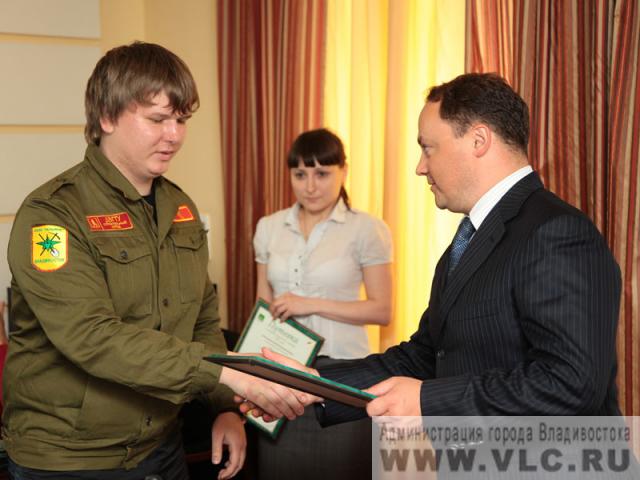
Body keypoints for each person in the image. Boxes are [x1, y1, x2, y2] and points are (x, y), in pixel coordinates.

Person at [2, 41, 306, 480]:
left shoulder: (180, 209)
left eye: (181, 120)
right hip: (71, 459)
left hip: (161, 446)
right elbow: (93, 337)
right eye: (158, 119)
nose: (174, 135)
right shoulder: (53, 215)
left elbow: (202, 320)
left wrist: (225, 408)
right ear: (106, 117)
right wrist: (230, 378)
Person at [251, 72, 622, 423]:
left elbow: (571, 382)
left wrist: (427, 400)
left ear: (479, 140)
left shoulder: (556, 232)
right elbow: (425, 357)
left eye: (428, 149)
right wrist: (314, 382)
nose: (420, 167)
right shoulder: (467, 240)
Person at [253, 128, 392, 479]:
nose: (310, 186)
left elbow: (382, 310)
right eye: (300, 174)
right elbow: (262, 305)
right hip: (282, 375)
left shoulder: (367, 229)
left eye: (322, 173)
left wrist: (310, 303)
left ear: (343, 171)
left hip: (343, 375)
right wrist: (252, 374)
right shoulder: (269, 227)